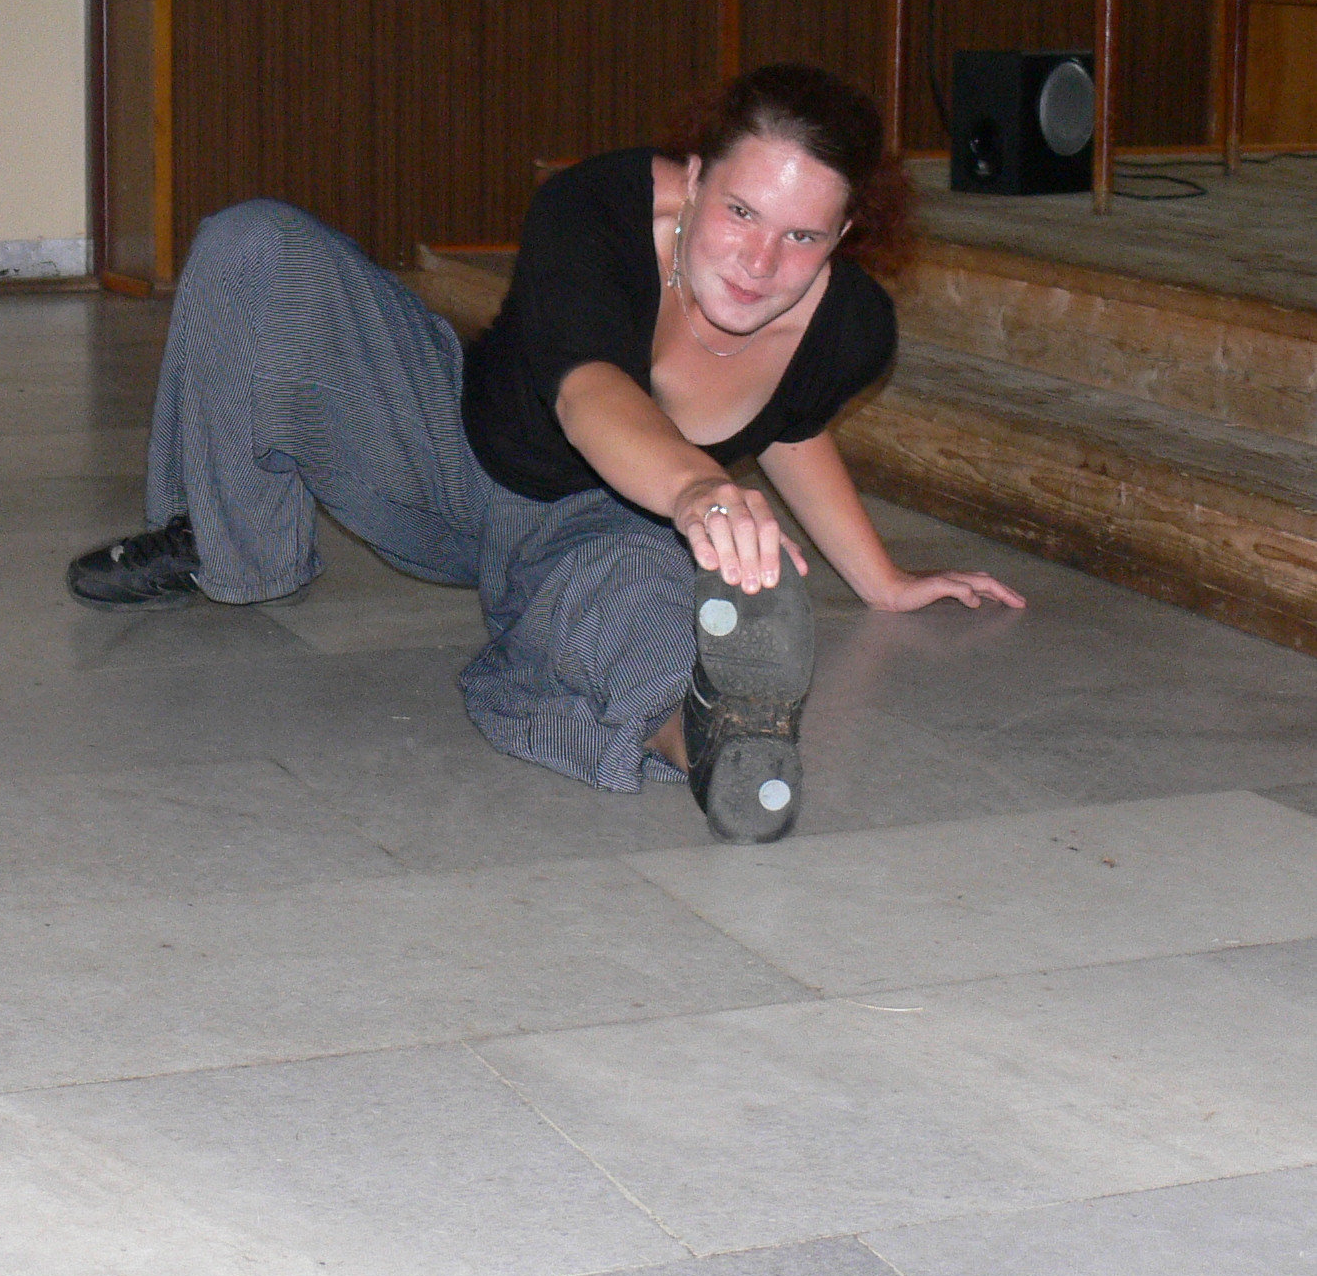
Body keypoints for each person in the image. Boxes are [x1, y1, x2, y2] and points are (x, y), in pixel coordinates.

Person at [68, 63, 1023, 843]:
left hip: (597, 528)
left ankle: (711, 739)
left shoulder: (850, 327)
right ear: (695, 177)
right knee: (255, 245)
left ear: (843, 234)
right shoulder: (592, 208)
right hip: (450, 448)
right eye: (740, 212)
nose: (760, 261)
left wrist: (884, 579)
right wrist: (697, 488)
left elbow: (792, 425)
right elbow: (585, 392)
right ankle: (234, 547)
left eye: (802, 235)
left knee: (641, 605)